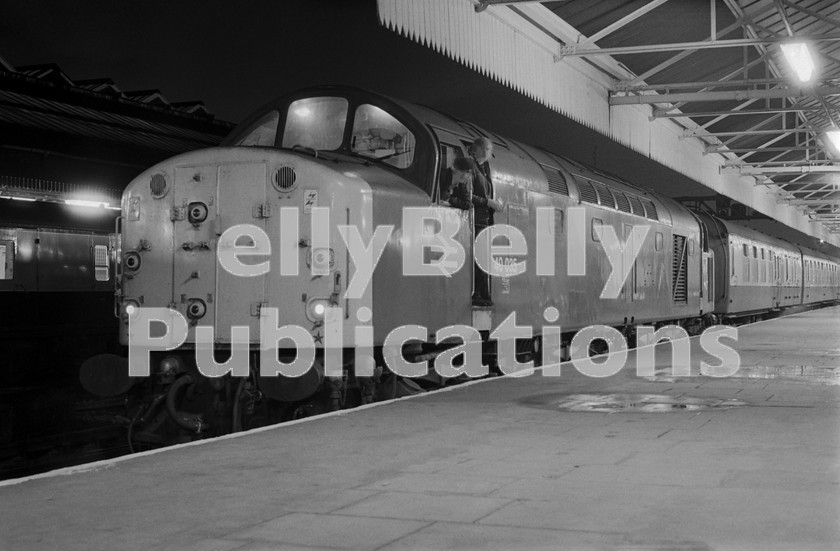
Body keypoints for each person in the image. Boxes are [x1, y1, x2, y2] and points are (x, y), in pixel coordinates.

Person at [450, 138, 503, 306]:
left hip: (484, 220)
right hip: (476, 221)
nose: (489, 155)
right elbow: (467, 195)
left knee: (483, 259)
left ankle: (483, 293)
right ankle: (478, 294)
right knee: (480, 259)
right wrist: (488, 202)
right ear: (480, 150)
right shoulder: (471, 168)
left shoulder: (483, 169)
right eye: (488, 151)